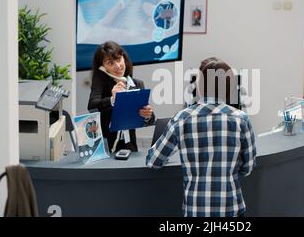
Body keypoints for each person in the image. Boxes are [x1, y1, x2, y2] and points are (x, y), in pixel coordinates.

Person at [146, 57, 257, 217]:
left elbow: (153, 161)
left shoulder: (181, 118)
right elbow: (248, 168)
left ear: (200, 85)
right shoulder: (241, 119)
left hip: (195, 210)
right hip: (231, 209)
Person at [88, 41, 155, 153]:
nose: (117, 66)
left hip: (130, 146)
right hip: (106, 146)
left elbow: (150, 120)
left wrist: (148, 115)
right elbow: (92, 105)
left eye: (119, 60)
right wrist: (113, 99)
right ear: (102, 67)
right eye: (110, 63)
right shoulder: (100, 81)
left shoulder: (137, 84)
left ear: (124, 58)